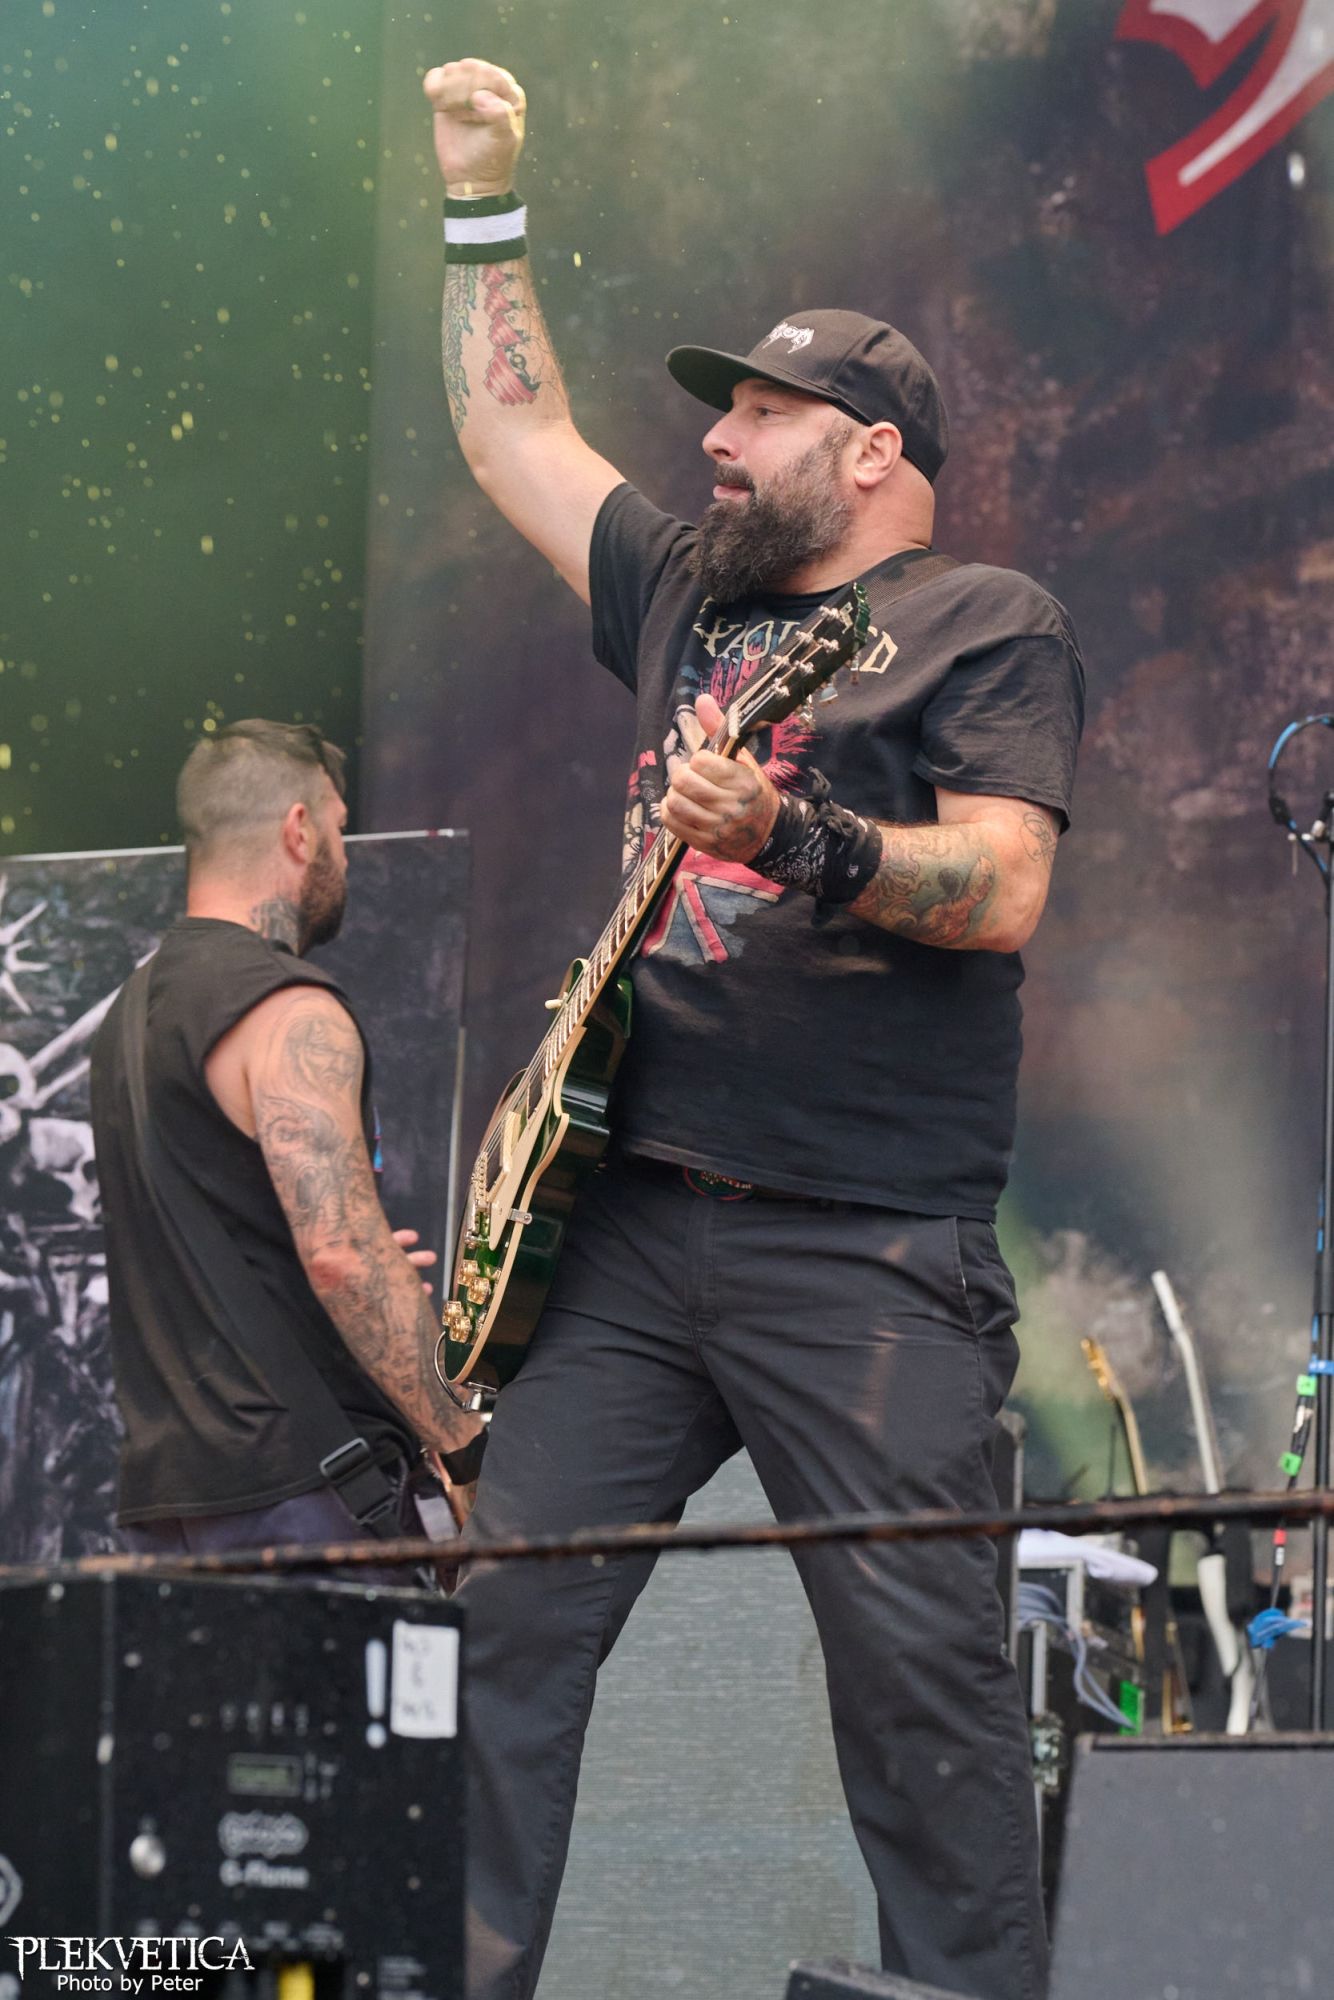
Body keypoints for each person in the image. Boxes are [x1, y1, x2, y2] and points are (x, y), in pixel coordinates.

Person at [425, 57, 1084, 2000]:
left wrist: (789, 835)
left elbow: (1003, 884)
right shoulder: (676, 594)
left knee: (921, 1705)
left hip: (860, 1243)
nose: (715, 443)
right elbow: (510, 432)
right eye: (718, 413)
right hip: (632, 1228)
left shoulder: (982, 621)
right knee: (500, 1629)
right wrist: (479, 198)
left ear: (869, 451)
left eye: (759, 416)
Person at [89, 719, 482, 1577]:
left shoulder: (126, 1019)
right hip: (305, 1496)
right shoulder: (290, 1007)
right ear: (299, 829)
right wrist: (466, 1450)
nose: (345, 857)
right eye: (339, 829)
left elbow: (219, 1234)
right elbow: (342, 1257)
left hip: (166, 1503)